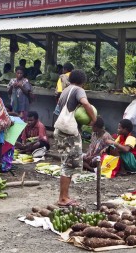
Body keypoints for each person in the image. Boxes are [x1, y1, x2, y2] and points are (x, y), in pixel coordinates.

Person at [55, 69, 96, 207]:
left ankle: (64, 196)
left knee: (66, 162)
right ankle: (63, 198)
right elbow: (84, 103)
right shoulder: (78, 90)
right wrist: (93, 118)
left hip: (61, 130)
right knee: (69, 164)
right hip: (69, 132)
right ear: (83, 82)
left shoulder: (66, 90)